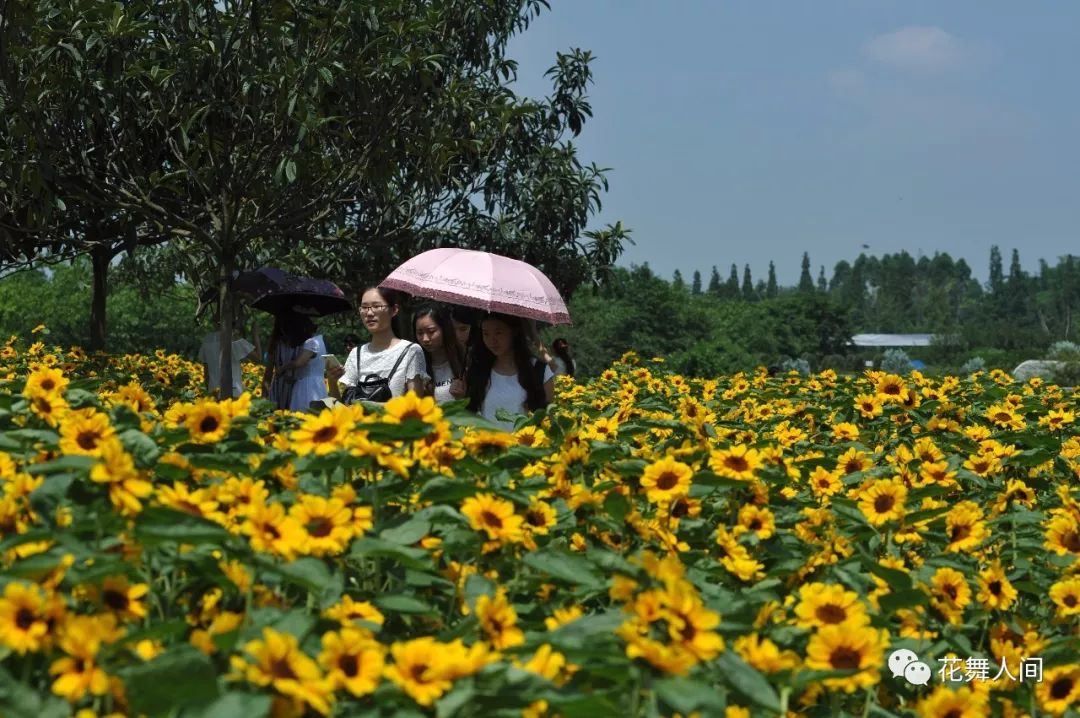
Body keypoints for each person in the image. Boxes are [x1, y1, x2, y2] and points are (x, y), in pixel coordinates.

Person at [327, 287, 428, 402]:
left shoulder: (411, 351)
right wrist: (332, 381)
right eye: (364, 307)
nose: (369, 313)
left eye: (376, 306)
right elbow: (339, 406)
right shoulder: (356, 354)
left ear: (394, 310)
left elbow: (415, 405)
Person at [466, 312, 554, 430]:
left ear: (514, 331)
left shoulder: (539, 370)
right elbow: (471, 414)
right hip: (490, 445)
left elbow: (549, 419)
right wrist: (460, 397)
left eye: (498, 333)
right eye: (486, 334)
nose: (492, 340)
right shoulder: (479, 370)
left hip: (525, 446)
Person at [263, 312, 328, 411]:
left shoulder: (308, 343)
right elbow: (268, 374)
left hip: (300, 387)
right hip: (283, 389)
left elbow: (299, 363)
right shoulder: (277, 344)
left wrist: (283, 368)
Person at [197, 304, 260, 399]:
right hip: (233, 393)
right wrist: (255, 334)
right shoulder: (234, 339)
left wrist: (210, 393)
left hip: (214, 392)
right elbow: (258, 358)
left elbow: (206, 374)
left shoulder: (207, 340)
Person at [413, 304, 467, 404]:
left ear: (445, 329)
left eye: (431, 331)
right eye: (420, 333)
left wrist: (463, 398)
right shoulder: (415, 368)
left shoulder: (465, 362)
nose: (425, 339)